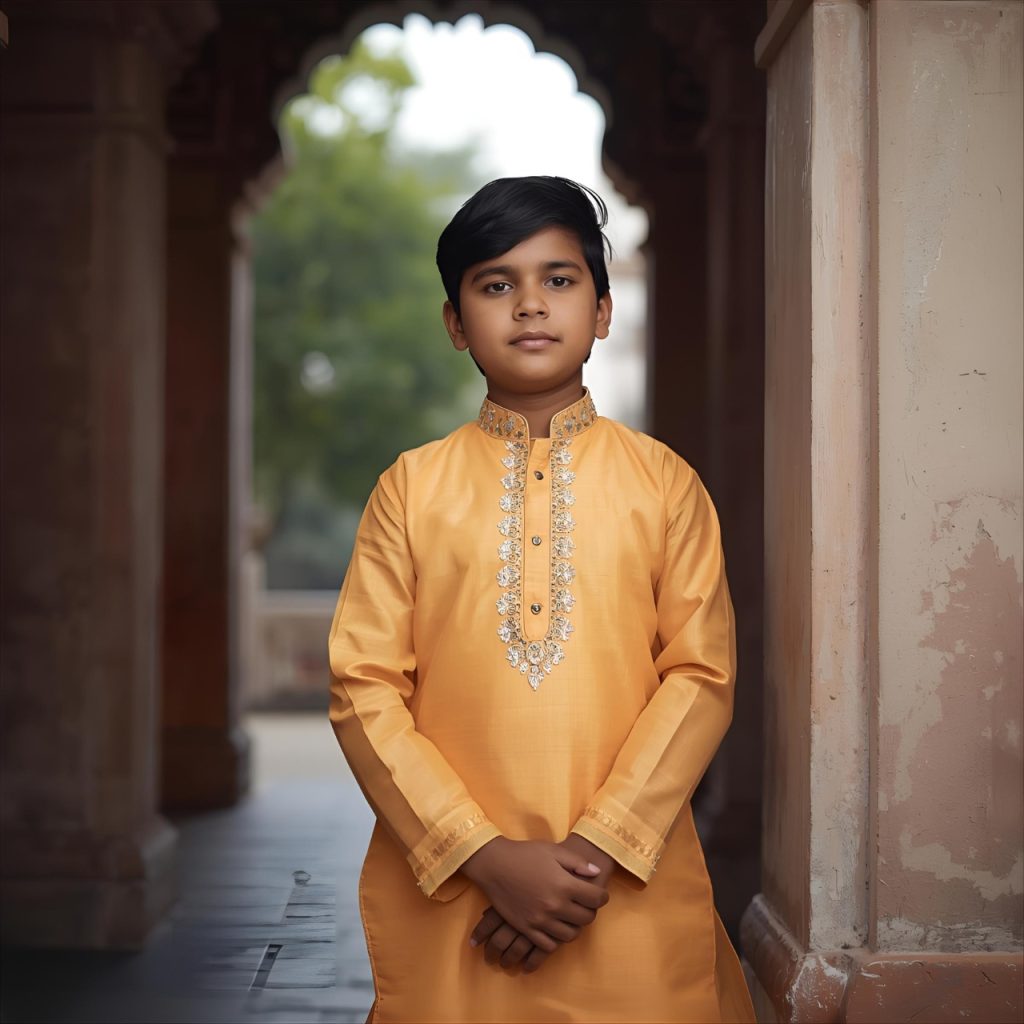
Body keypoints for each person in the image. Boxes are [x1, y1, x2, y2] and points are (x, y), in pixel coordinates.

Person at [328, 175, 755, 1023]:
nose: (530, 304)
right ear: (456, 323)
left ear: (602, 311)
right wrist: (482, 855)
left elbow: (701, 676)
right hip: (459, 890)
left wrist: (593, 854)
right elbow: (362, 686)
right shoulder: (410, 489)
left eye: (559, 279)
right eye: (496, 285)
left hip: (625, 879)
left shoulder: (664, 485)